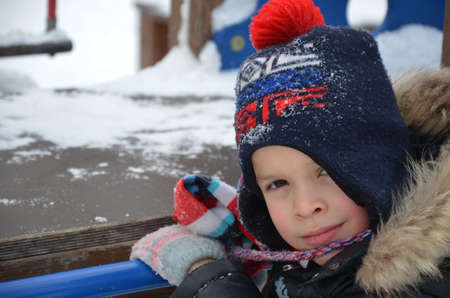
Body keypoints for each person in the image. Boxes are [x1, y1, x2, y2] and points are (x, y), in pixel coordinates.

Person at [130, 0, 450, 296]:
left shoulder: (429, 278)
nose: (305, 206)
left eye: (327, 169)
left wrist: (212, 285)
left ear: (382, 158)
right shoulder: (299, 251)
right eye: (278, 183)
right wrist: (202, 267)